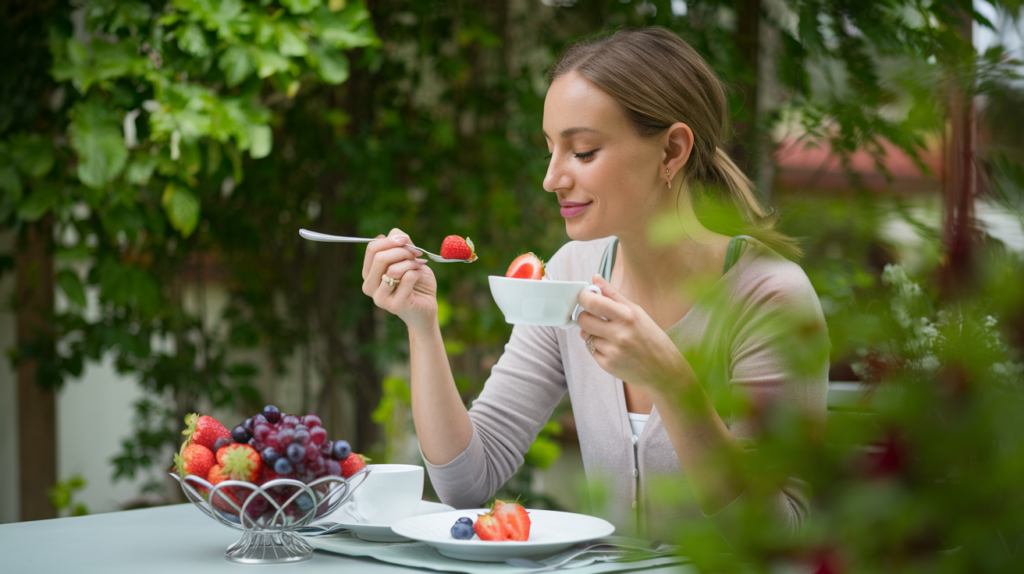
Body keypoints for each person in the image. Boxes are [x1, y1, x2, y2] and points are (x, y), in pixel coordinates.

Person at [359, 27, 829, 545]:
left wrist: (672, 380)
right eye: (550, 150)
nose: (552, 178)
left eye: (582, 152)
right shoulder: (568, 275)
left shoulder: (769, 296)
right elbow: (468, 481)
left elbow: (775, 536)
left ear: (671, 150)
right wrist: (421, 326)